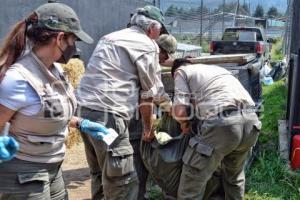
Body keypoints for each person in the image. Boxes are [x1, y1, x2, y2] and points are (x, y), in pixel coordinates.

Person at [0, 3, 109, 199]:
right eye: (73, 39)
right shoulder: (19, 79)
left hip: (54, 167)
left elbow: (46, 110)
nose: (74, 46)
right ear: (60, 38)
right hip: (24, 171)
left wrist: (80, 123)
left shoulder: (54, 71)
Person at [75, 5, 167, 200]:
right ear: (152, 28)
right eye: (160, 30)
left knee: (100, 172)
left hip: (84, 112)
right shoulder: (148, 44)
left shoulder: (110, 37)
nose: (159, 35)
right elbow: (148, 94)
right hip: (109, 116)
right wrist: (148, 128)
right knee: (122, 179)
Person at [171, 59, 261, 199]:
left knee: (193, 180)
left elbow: (180, 111)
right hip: (251, 121)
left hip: (224, 124)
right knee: (234, 177)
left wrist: (183, 124)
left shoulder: (181, 72)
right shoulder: (217, 70)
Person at [128, 34, 177, 200]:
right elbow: (156, 94)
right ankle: (138, 196)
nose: (167, 58)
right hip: (135, 114)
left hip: (128, 110)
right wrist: (172, 110)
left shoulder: (140, 54)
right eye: (167, 54)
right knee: (138, 161)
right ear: (160, 50)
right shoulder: (150, 61)